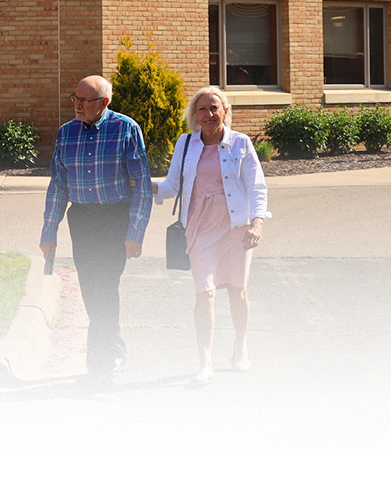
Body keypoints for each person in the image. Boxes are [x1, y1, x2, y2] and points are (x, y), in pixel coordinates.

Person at [41, 75, 153, 388]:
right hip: (82, 221)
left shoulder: (125, 129)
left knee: (104, 286)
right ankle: (113, 349)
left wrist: (136, 230)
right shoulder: (67, 133)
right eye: (74, 98)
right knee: (92, 288)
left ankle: (101, 363)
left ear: (103, 103)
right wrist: (49, 232)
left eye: (85, 100)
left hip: (114, 219)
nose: (77, 104)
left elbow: (142, 184)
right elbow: (58, 185)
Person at [153, 86, 270, 385]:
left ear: (225, 112)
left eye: (214, 108)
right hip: (200, 229)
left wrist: (256, 224)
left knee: (236, 291)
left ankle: (240, 346)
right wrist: (146, 186)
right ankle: (204, 362)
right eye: (202, 109)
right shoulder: (185, 143)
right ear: (195, 114)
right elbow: (172, 186)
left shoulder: (240, 144)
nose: (209, 114)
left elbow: (257, 188)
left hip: (236, 229)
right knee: (204, 294)